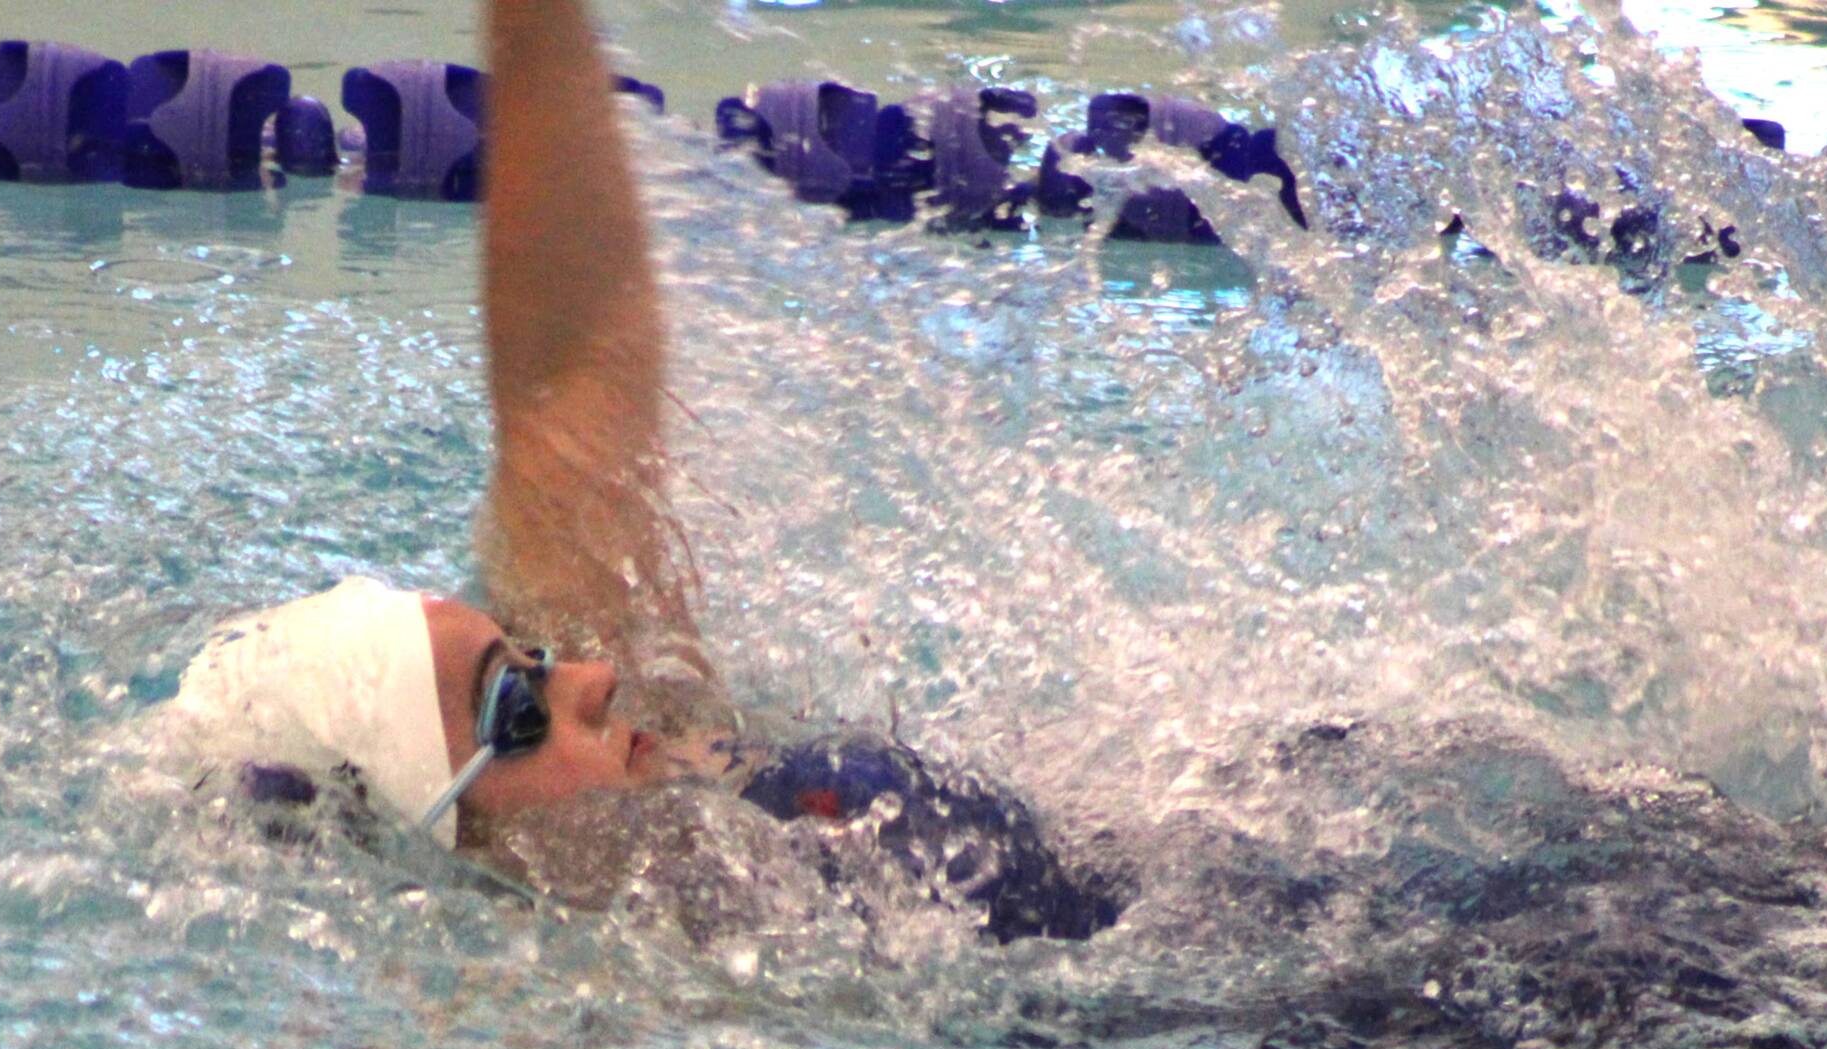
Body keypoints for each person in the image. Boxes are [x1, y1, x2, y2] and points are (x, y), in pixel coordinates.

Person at [161, 0, 1115, 942]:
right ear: (448, 843)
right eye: (514, 706)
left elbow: (568, 373)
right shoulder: (638, 990)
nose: (593, 674)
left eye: (526, 660)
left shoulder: (658, 745)